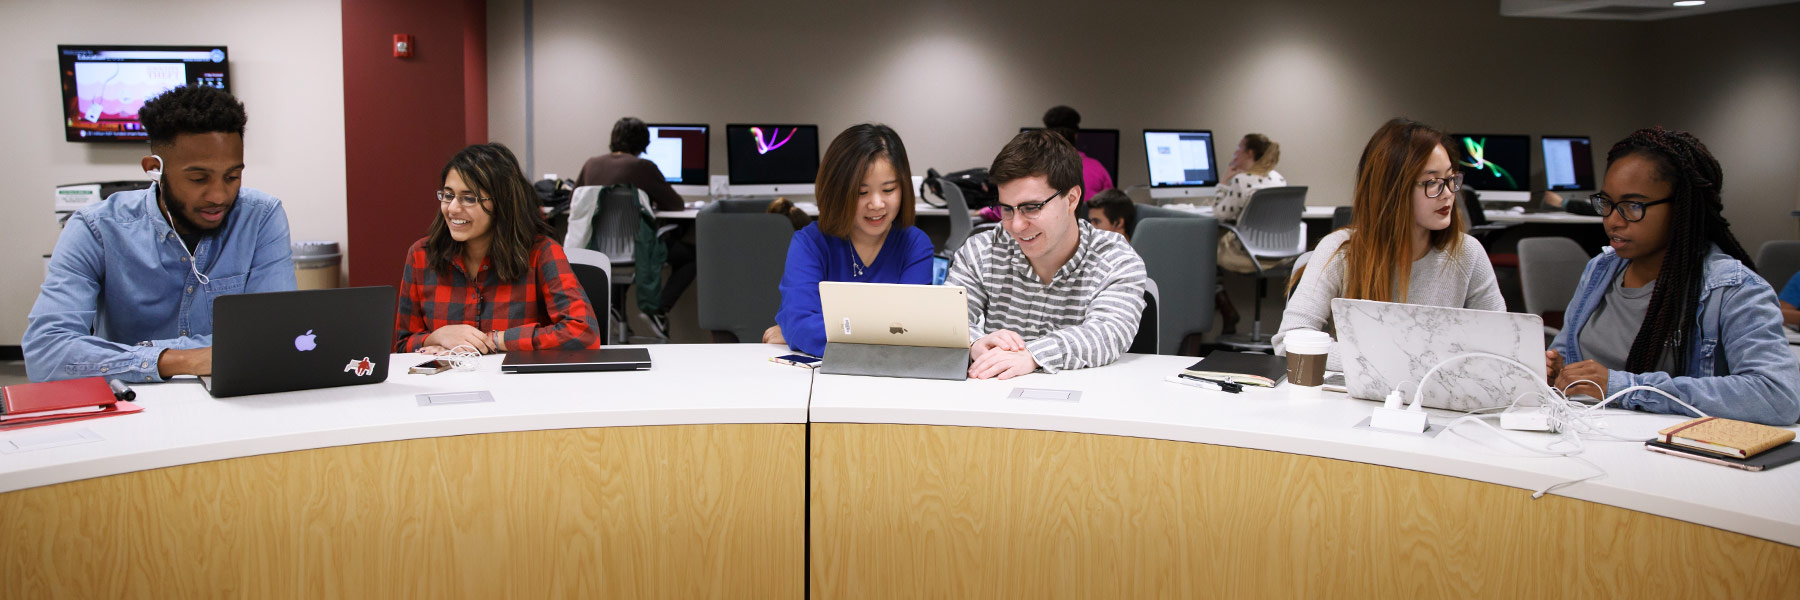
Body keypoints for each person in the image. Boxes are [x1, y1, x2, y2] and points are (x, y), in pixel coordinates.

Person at [25, 85, 295, 383]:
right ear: (155, 169)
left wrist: (136, 354)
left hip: (234, 399)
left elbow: (274, 336)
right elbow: (45, 353)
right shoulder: (95, 229)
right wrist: (180, 361)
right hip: (133, 405)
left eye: (232, 176)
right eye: (198, 178)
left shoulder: (261, 217)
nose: (219, 195)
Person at [1545, 127, 1799, 426]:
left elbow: (1777, 397)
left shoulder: (1732, 288)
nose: (1612, 220)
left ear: (1682, 208)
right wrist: (1555, 370)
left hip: (1675, 459)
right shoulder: (1601, 269)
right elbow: (1564, 357)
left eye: (1632, 205)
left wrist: (1625, 387)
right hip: (1589, 442)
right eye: (1607, 203)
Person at [1273, 118, 1504, 371]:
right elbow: (1290, 341)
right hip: (1357, 403)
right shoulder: (1341, 252)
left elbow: (1501, 347)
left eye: (1450, 178)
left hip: (1437, 403)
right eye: (1432, 182)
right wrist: (1395, 362)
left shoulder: (1467, 252)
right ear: (1392, 190)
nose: (1449, 193)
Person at [948, 130, 1147, 379]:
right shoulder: (981, 250)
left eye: (1031, 208)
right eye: (1006, 209)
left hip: (1081, 407)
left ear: (1071, 199)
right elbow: (949, 322)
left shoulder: (1116, 259)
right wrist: (975, 342)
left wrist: (1033, 355)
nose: (1016, 225)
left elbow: (1108, 333)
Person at [395, 143, 601, 354]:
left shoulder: (542, 253)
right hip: (445, 385)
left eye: (469, 198)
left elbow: (583, 333)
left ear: (502, 203)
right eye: (448, 195)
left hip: (516, 385)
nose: (453, 208)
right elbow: (403, 345)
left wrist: (493, 340)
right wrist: (436, 337)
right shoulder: (422, 255)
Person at [765, 124, 934, 356]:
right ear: (837, 191)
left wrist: (813, 332)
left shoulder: (916, 245)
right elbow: (800, 325)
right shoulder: (809, 244)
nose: (876, 203)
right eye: (861, 193)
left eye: (889, 190)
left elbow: (911, 331)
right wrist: (798, 330)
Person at [572, 117, 692, 338]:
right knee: (690, 256)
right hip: (636, 253)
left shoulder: (590, 164)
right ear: (643, 144)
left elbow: (576, 200)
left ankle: (614, 306)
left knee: (619, 256)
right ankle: (658, 310)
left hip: (596, 251)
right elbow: (675, 204)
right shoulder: (643, 167)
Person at [1212, 133, 1287, 333]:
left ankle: (1223, 304)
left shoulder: (1241, 180)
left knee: (1203, 250)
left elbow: (1219, 216)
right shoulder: (1278, 178)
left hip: (1247, 254)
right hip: (1278, 255)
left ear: (1249, 153)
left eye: (1239, 149)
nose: (1235, 154)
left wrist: (1223, 181)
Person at [1042, 105, 1114, 203]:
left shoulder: (1032, 168)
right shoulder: (1097, 169)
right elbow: (1110, 206)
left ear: (1046, 136)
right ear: (1076, 136)